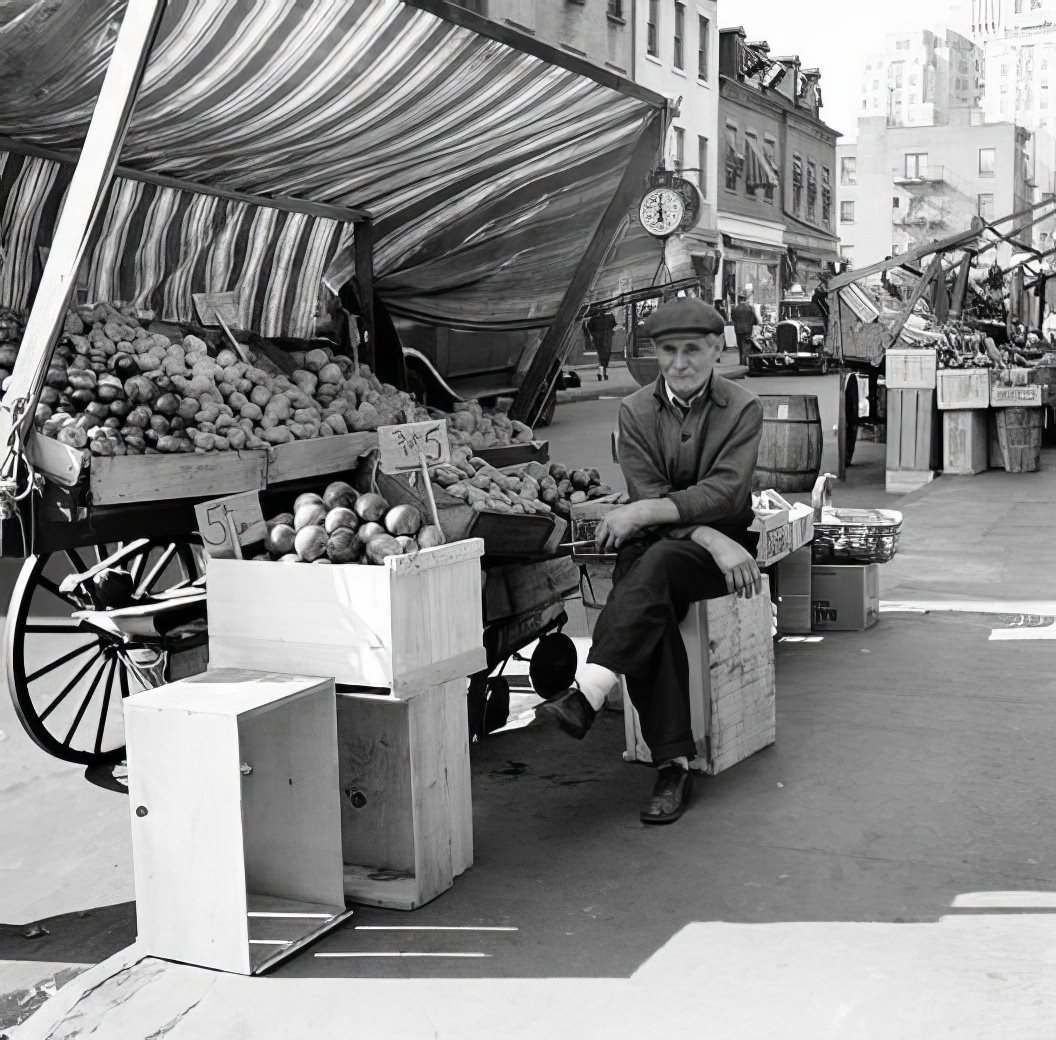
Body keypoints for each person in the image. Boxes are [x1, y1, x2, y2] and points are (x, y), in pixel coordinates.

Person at [536, 298, 764, 825]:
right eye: (668, 351)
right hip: (686, 544)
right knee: (650, 590)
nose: (680, 363)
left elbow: (726, 495)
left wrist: (700, 529)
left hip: (726, 549)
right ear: (654, 355)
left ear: (715, 349)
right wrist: (701, 531)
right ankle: (674, 764)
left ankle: (591, 690)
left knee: (650, 570)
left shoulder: (742, 408)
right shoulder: (634, 409)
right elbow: (649, 491)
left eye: (692, 350)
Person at [586, 310, 617, 381]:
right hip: (607, 337)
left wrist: (592, 335)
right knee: (606, 354)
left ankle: (601, 371)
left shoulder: (594, 318)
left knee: (601, 354)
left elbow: (589, 327)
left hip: (598, 337)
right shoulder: (610, 316)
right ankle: (604, 372)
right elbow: (614, 325)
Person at [730, 295, 759, 365]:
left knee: (740, 345)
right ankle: (746, 361)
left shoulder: (735, 309)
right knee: (746, 345)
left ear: (739, 300)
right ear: (745, 299)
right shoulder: (750, 308)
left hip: (738, 330)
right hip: (747, 330)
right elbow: (755, 320)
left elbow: (733, 318)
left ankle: (741, 361)